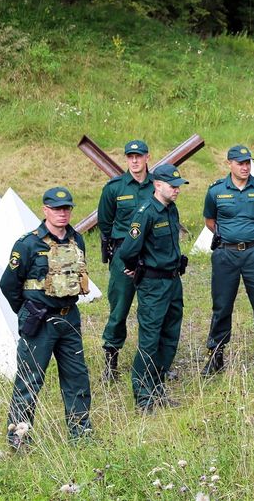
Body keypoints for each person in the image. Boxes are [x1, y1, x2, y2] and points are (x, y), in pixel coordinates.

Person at [0, 187, 93, 449]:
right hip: (40, 321)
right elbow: (8, 284)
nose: (62, 213)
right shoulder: (28, 244)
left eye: (66, 209)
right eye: (56, 209)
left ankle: (81, 435)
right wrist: (28, 310)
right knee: (30, 380)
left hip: (69, 318)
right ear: (45, 210)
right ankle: (19, 439)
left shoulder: (77, 240)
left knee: (77, 378)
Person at [201, 145, 254, 375]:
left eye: (247, 162)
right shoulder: (216, 191)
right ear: (229, 164)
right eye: (240, 163)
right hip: (225, 255)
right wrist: (229, 238)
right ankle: (216, 355)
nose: (245, 167)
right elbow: (210, 221)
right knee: (222, 305)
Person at [115, 165, 188, 413]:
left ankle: (157, 389)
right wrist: (134, 268)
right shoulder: (146, 212)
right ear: (158, 185)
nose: (177, 190)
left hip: (173, 280)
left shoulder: (171, 209)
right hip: (153, 284)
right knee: (150, 339)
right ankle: (143, 396)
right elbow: (128, 250)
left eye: (178, 185)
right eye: (172, 185)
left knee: (170, 336)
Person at [97, 139, 154, 382]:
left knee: (152, 309)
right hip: (123, 254)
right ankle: (112, 360)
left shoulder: (158, 185)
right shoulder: (114, 188)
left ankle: (153, 361)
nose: (134, 160)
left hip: (151, 254)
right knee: (119, 308)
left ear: (147, 157)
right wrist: (118, 253)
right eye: (130, 156)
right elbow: (105, 222)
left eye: (138, 156)